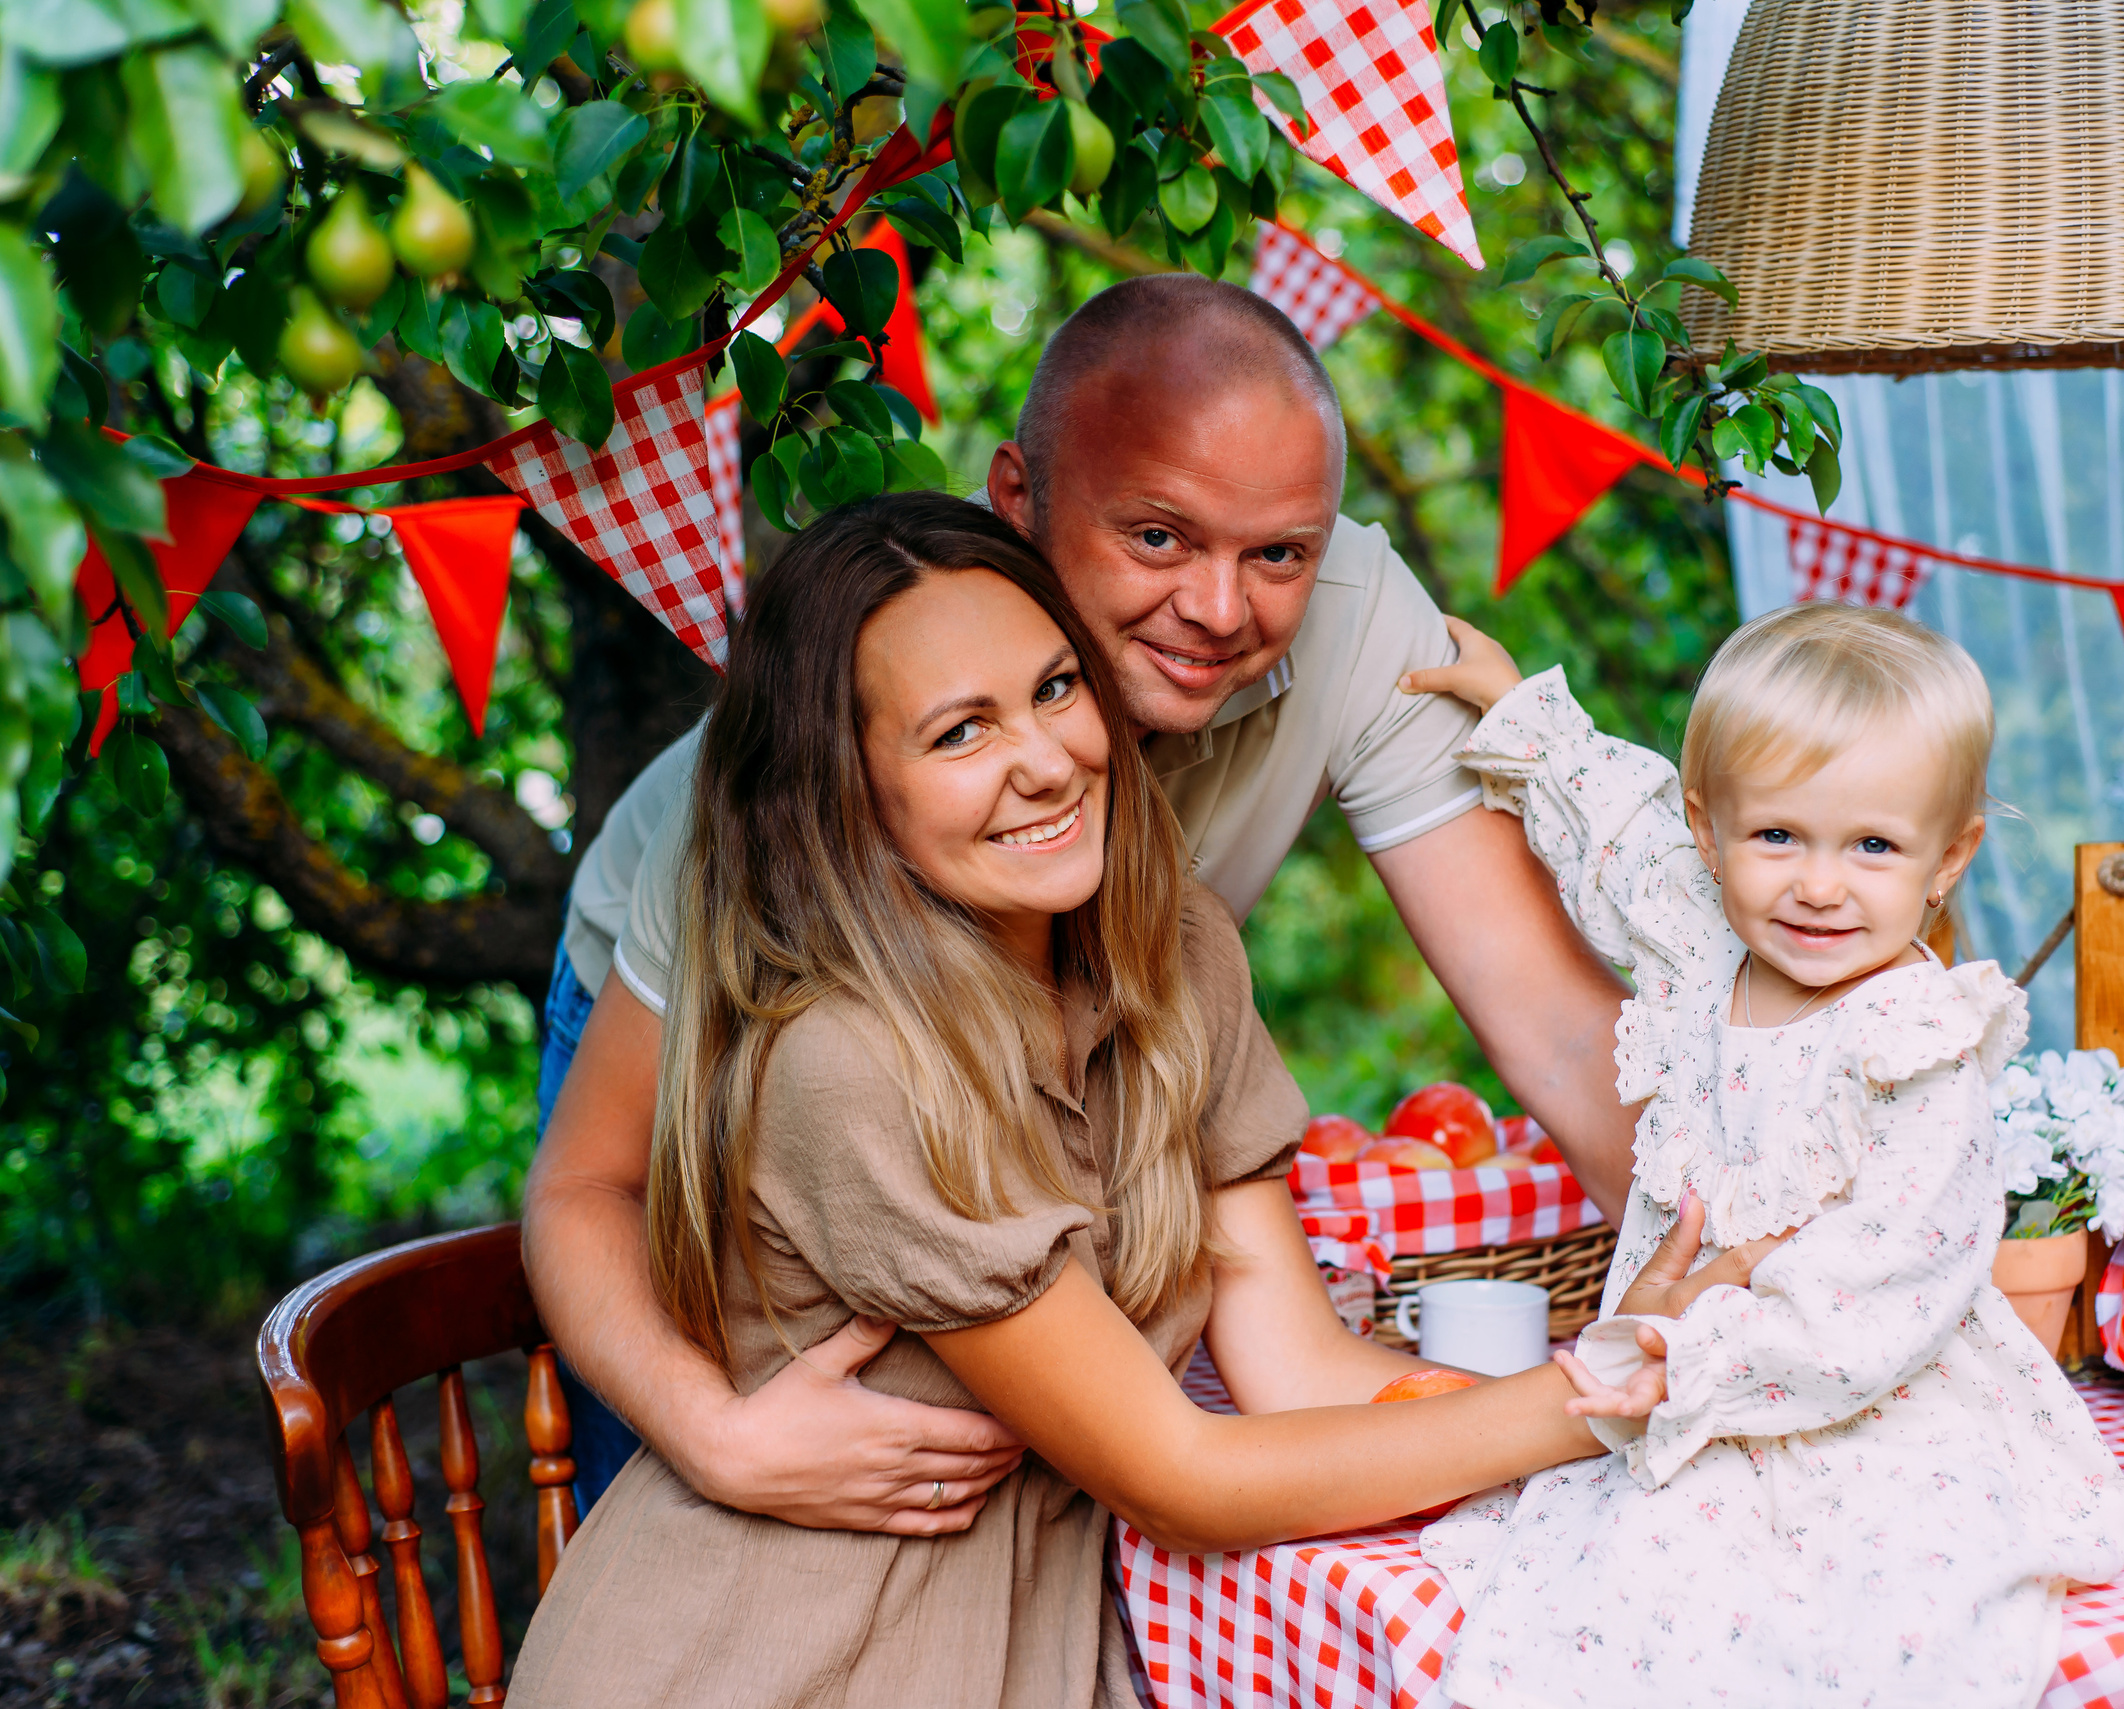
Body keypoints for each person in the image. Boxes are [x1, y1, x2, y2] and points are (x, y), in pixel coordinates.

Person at [524, 273, 1640, 1527]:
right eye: (1157, 536)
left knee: (1051, 1473)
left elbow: (1553, 1023)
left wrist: (1746, 1283)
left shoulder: (1339, 648)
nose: (1219, 611)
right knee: (750, 1473)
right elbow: (587, 1187)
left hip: (1060, 1050)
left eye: (1277, 552)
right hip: (728, 1017)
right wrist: (713, 1436)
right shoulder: (779, 809)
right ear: (1019, 502)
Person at [507, 495, 1606, 1708]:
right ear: (846, 792)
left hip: (1028, 1632)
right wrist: (1591, 1399)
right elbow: (1179, 1469)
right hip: (774, 1652)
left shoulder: (1168, 944)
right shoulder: (849, 1064)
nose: (1045, 759)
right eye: (959, 733)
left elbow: (1295, 1365)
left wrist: (1586, 1382)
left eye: (1053, 689)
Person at [1398, 604, 2124, 1708]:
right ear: (1713, 831)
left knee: (1845, 1618)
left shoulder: (1909, 1047)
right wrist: (1529, 724)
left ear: (1950, 855)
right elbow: (1622, 845)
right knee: (1613, 1599)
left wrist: (1696, 1352)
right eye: (1777, 835)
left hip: (1868, 1403)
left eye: (1873, 845)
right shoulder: (1706, 948)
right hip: (1683, 1376)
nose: (1819, 884)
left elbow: (1883, 1286)